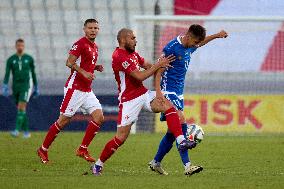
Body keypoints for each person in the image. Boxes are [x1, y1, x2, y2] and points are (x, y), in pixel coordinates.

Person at [91, 28, 196, 176]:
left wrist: (162, 65)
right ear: (123, 40)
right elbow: (140, 76)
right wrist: (157, 66)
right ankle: (98, 164)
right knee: (120, 138)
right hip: (128, 100)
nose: (136, 40)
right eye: (132, 38)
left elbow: (148, 65)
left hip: (143, 94)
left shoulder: (133, 54)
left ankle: (181, 140)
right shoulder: (119, 56)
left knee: (167, 105)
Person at [149, 24, 228, 176]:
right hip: (168, 90)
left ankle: (156, 162)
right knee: (181, 119)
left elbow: (201, 43)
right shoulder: (171, 48)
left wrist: (217, 35)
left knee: (172, 133)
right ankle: (187, 165)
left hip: (179, 93)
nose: (196, 45)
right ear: (188, 36)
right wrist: (159, 94)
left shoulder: (190, 45)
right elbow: (158, 70)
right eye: (195, 42)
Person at [37, 19, 104, 164]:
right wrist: (84, 72)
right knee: (63, 120)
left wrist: (95, 67)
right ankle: (43, 149)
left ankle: (82, 149)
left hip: (86, 90)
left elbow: (87, 64)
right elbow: (69, 62)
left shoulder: (95, 46)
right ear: (84, 29)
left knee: (99, 117)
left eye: (96, 28)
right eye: (90, 28)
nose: (93, 30)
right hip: (75, 88)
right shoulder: (80, 44)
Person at [2, 38, 39, 138]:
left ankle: (17, 130)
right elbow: (7, 73)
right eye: (18, 45)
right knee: (21, 109)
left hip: (25, 86)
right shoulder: (11, 59)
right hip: (15, 86)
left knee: (21, 107)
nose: (20, 47)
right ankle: (27, 132)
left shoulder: (29, 58)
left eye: (22, 45)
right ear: (16, 46)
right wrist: (4, 85)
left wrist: (36, 86)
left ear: (24, 46)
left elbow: (33, 73)